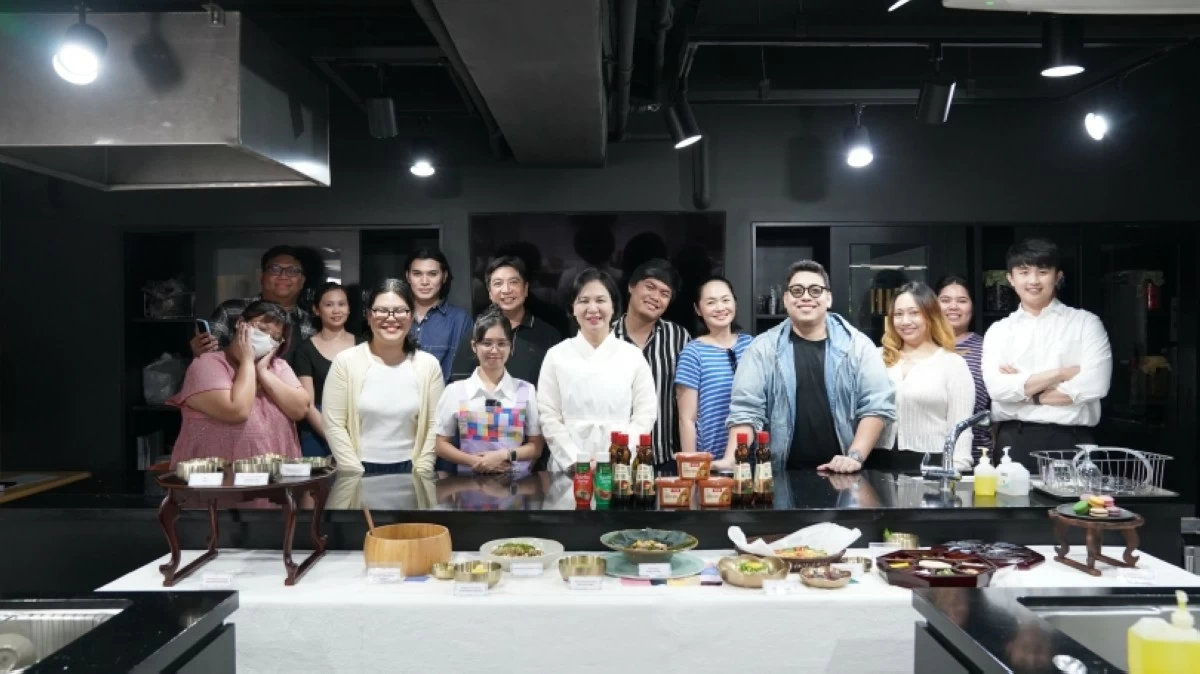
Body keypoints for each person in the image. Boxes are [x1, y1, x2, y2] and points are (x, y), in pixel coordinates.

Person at [720, 260, 895, 474]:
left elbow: (876, 406)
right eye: (797, 290)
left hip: (844, 474)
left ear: (828, 298)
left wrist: (854, 457)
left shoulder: (858, 346)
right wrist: (731, 459)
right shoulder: (762, 349)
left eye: (815, 290)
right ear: (785, 299)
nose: (805, 297)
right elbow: (746, 410)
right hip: (780, 474)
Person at [982, 239, 1112, 469]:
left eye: (1042, 271)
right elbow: (997, 389)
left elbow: (1095, 386)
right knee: (1011, 505)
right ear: (1011, 278)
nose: (1033, 280)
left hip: (1072, 442)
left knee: (1075, 506)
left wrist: (1025, 389)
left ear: (1058, 276)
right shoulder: (999, 331)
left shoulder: (1086, 324)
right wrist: (1062, 373)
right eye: (1024, 272)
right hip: (1014, 441)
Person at [537, 268, 657, 473]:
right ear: (572, 308)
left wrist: (618, 455)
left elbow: (644, 415)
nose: (592, 308)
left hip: (620, 465)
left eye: (601, 300)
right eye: (583, 301)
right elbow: (549, 415)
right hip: (568, 467)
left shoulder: (632, 356)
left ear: (613, 307)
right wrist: (576, 460)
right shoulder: (556, 356)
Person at [322, 279, 446, 474]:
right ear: (369, 316)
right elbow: (334, 424)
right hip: (358, 468)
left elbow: (434, 425)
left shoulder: (428, 365)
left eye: (400, 310)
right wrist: (355, 475)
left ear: (411, 315)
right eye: (381, 310)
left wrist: (421, 472)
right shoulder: (345, 363)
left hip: (412, 469)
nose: (391, 318)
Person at [168, 301, 309, 465]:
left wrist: (263, 372)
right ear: (241, 323)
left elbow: (300, 409)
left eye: (275, 337)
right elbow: (237, 411)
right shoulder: (207, 364)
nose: (267, 338)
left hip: (274, 480)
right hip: (218, 480)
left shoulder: (278, 367)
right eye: (262, 330)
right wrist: (247, 362)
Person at [435, 308, 545, 475]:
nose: (494, 350)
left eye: (501, 343)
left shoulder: (526, 390)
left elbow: (536, 446)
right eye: (487, 343)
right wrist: (478, 462)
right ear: (474, 346)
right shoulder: (455, 391)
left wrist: (504, 455)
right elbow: (440, 444)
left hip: (515, 489)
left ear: (511, 346)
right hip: (469, 486)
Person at [881, 282, 975, 473]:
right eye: (898, 314)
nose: (905, 321)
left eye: (914, 313)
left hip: (932, 465)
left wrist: (957, 470)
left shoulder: (952, 364)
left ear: (931, 315)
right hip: (877, 463)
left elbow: (961, 429)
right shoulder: (877, 359)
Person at [612, 259, 691, 468]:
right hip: (615, 460)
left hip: (664, 459)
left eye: (665, 294)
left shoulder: (679, 338)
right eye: (650, 287)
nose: (656, 297)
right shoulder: (606, 336)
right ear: (631, 286)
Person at [450, 255, 563, 387]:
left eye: (514, 282)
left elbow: (557, 387)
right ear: (490, 293)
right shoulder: (475, 334)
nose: (506, 290)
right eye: (498, 283)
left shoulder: (549, 335)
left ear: (526, 289)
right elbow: (460, 384)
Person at [674, 277, 753, 460]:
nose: (720, 308)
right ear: (698, 309)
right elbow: (687, 419)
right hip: (711, 461)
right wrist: (691, 466)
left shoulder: (752, 346)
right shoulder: (693, 352)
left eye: (725, 300)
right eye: (711, 302)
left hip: (753, 459)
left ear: (735, 302)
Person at [190, 246, 316, 360]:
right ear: (262, 276)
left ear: (302, 281)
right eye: (275, 269)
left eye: (293, 271)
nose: (283, 276)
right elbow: (209, 357)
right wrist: (201, 350)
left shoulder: (309, 323)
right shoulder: (230, 310)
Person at [291, 283, 361, 457]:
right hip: (318, 432)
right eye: (329, 305)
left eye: (341, 304)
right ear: (316, 309)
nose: (336, 310)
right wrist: (336, 440)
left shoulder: (364, 345)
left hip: (360, 429)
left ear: (349, 308)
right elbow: (308, 404)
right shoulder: (305, 349)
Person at [936, 275, 992, 457]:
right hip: (928, 450)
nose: (953, 307)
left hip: (977, 454)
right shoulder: (922, 348)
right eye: (945, 300)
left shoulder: (988, 348)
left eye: (962, 301)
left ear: (972, 307)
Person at [406, 248, 472, 384]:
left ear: (444, 276)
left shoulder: (460, 319)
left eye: (432, 274)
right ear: (408, 276)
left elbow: (467, 372)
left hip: (445, 401)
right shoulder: (396, 316)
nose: (424, 281)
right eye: (417, 274)